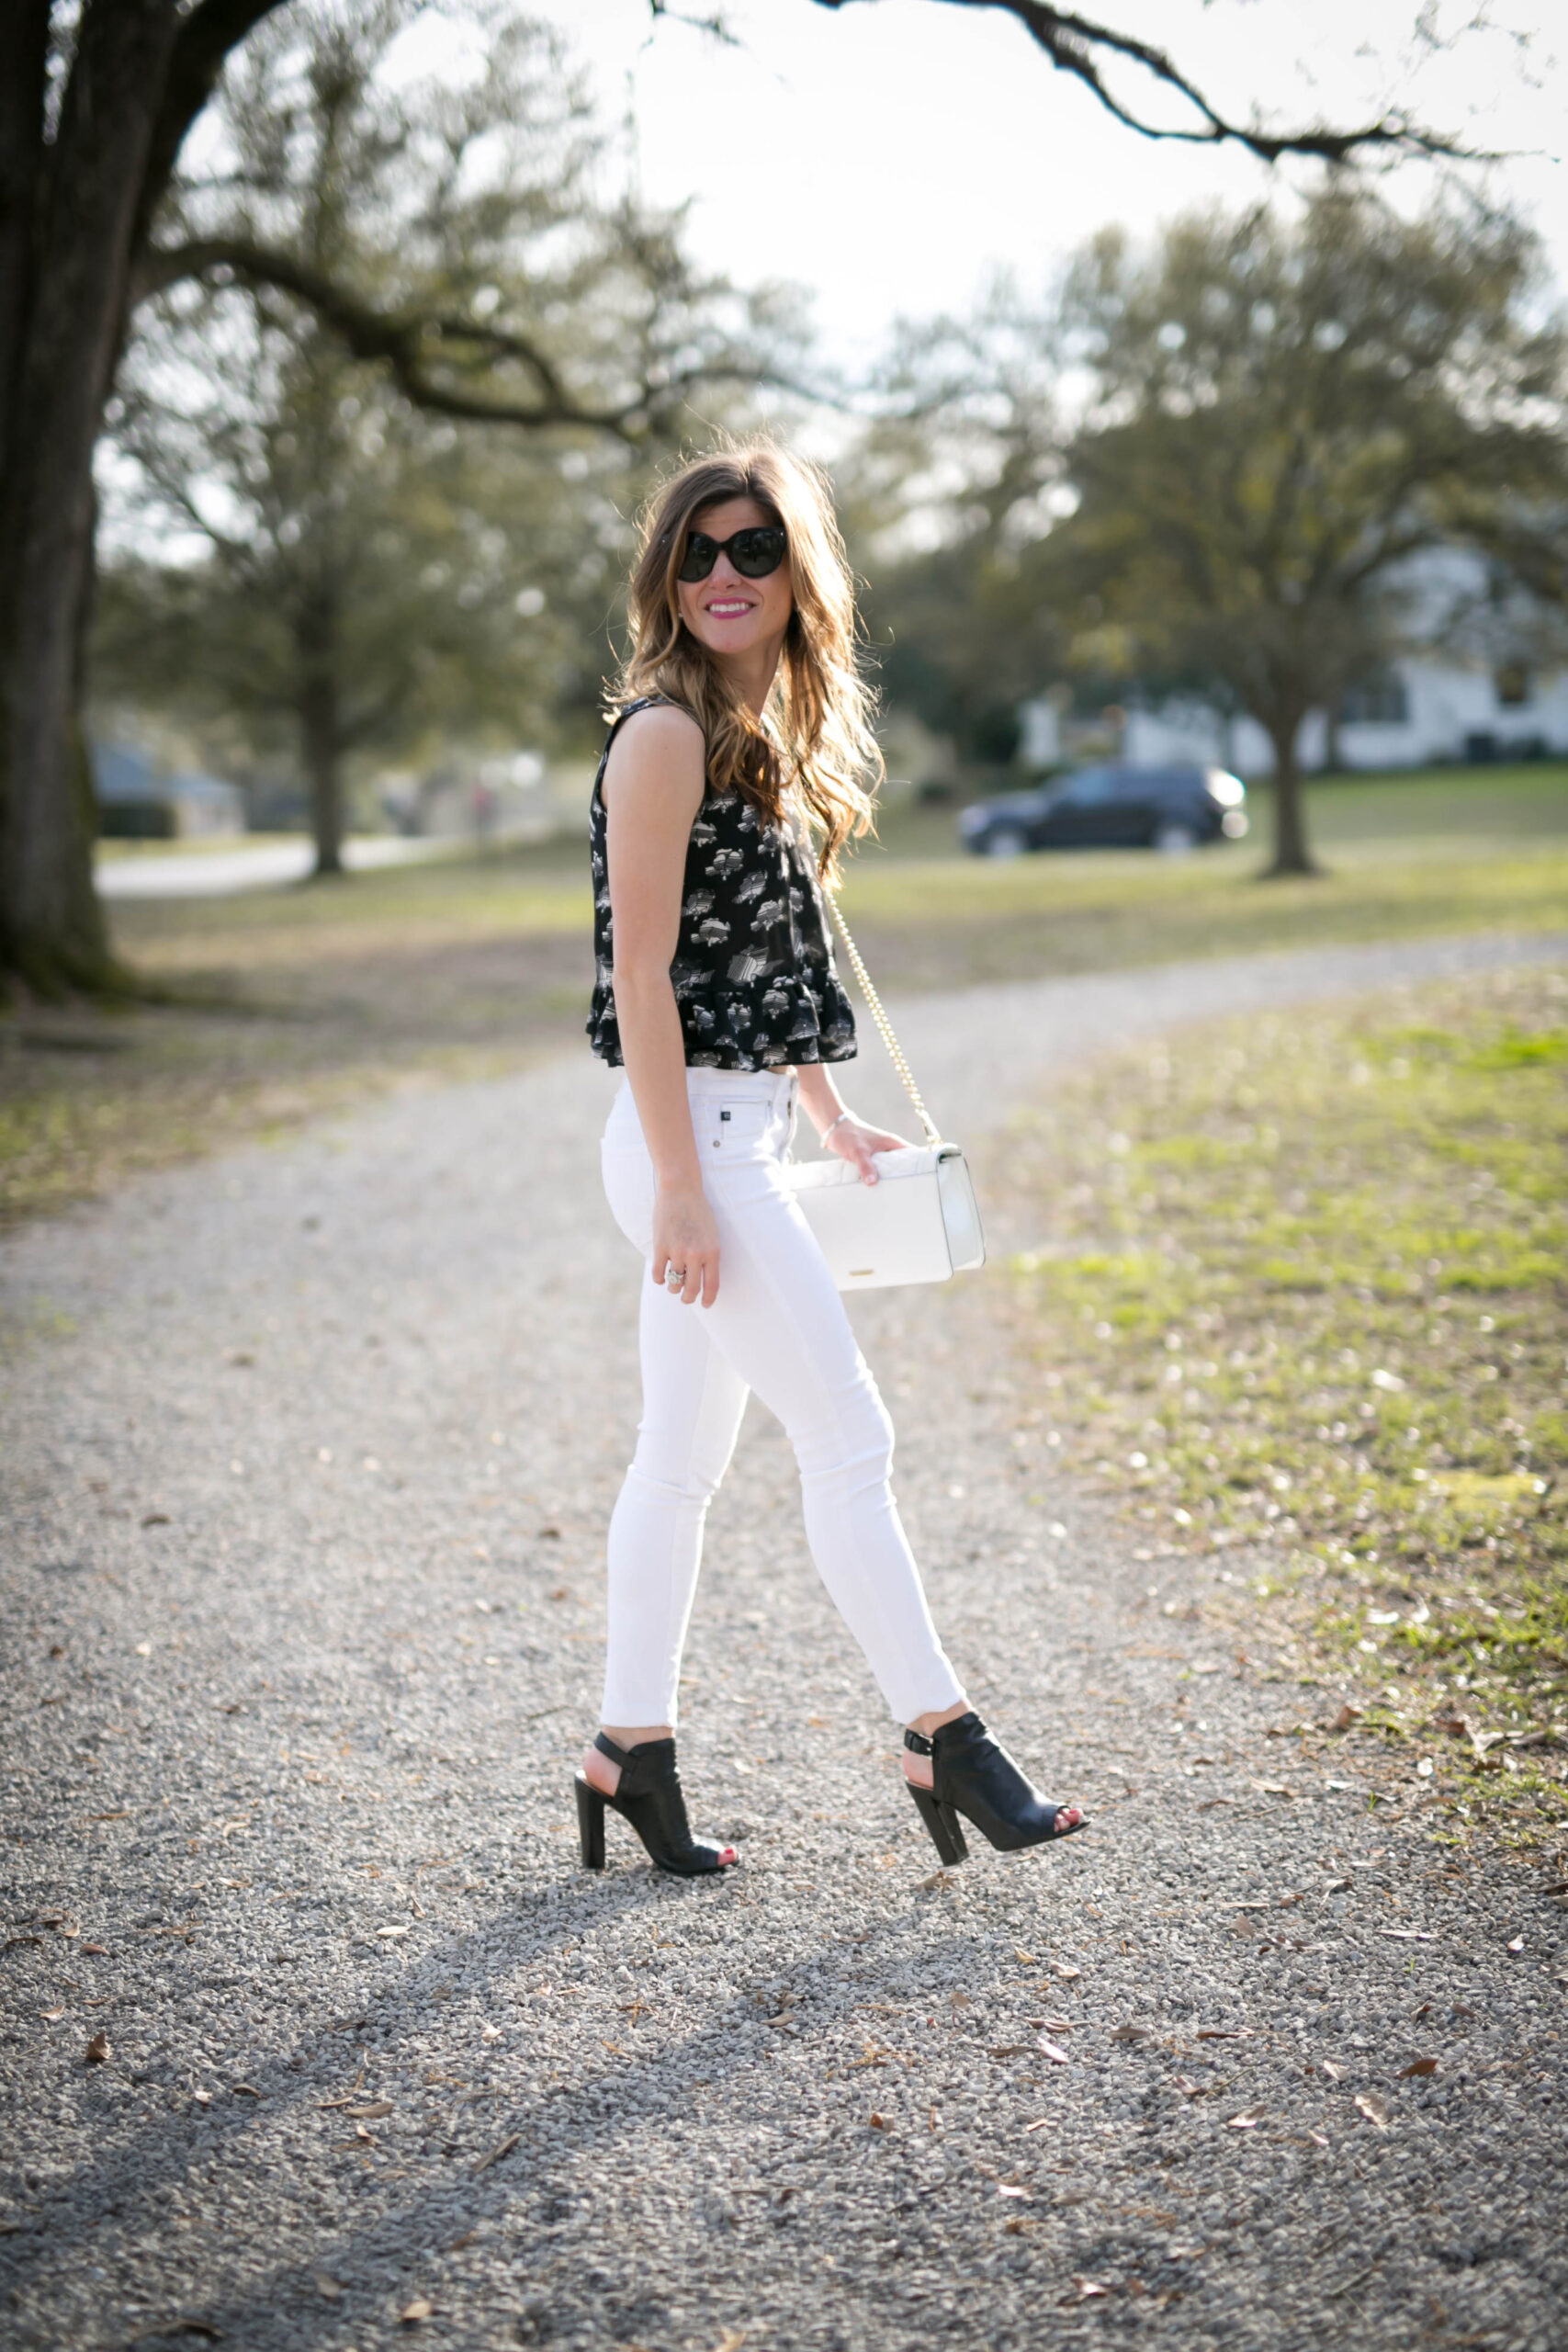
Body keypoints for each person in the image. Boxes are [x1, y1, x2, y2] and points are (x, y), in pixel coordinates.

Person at [573, 441, 1085, 1878]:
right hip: (693, 1153)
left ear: (799, 572)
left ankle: (627, 1750)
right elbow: (651, 975)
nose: (727, 575)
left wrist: (830, 1105)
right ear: (666, 578)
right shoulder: (664, 735)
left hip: (734, 1137)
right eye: (700, 552)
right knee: (849, 1439)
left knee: (676, 1465)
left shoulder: (760, 738)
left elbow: (760, 961)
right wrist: (681, 1183)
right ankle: (944, 1732)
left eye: (755, 550)